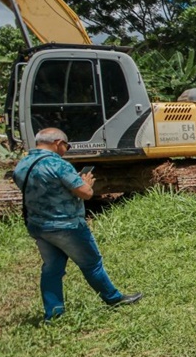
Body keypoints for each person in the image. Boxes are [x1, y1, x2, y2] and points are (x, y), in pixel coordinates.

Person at [14, 127, 142, 320]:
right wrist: (87, 183)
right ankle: (114, 298)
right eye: (67, 145)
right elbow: (85, 193)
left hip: (39, 226)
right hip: (67, 226)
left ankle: (54, 313)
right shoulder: (59, 165)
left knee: (52, 268)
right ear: (58, 143)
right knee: (92, 264)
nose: (67, 149)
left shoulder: (22, 165)